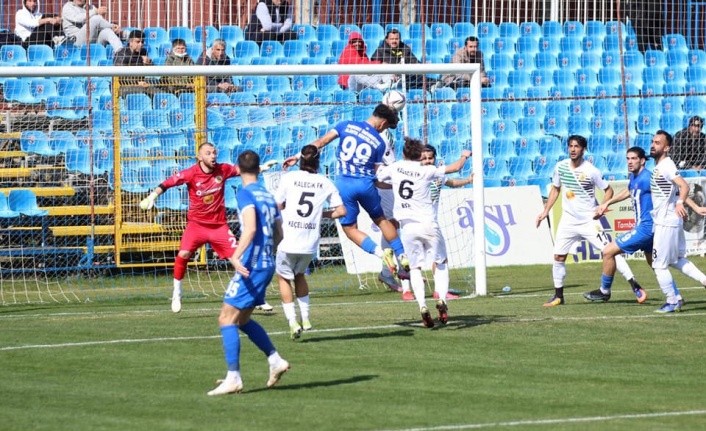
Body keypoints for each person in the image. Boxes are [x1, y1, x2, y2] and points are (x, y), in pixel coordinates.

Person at [139, 142, 277, 314]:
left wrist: (262, 167)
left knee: (239, 258)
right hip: (196, 226)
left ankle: (257, 297)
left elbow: (242, 170)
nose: (213, 156)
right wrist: (153, 195)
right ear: (200, 157)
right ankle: (177, 293)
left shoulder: (223, 169)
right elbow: (168, 183)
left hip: (219, 226)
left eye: (214, 152)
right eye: (208, 153)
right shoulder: (190, 173)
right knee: (183, 255)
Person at [282, 103, 410, 276]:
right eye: (386, 126)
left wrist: (297, 156)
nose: (383, 130)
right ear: (382, 122)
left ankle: (381, 254)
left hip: (343, 185)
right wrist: (394, 185)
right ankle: (401, 254)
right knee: (382, 220)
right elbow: (378, 177)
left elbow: (320, 143)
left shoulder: (346, 125)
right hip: (366, 184)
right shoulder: (379, 143)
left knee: (350, 229)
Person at [206, 150, 289, 396]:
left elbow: (250, 228)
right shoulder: (267, 194)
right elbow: (279, 233)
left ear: (238, 169)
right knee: (241, 320)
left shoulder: (245, 193)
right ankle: (275, 361)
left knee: (226, 318)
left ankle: (234, 378)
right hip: (266, 263)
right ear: (258, 168)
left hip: (251, 265)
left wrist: (234, 255)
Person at [535, 135, 643, 307]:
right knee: (558, 256)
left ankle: (635, 285)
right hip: (568, 221)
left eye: (576, 146)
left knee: (610, 251)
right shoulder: (560, 167)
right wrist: (545, 211)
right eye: (570, 146)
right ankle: (558, 296)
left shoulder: (591, 171)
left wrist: (602, 206)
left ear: (583, 149)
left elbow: (608, 190)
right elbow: (556, 189)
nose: (572, 149)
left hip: (589, 221)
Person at [377, 138, 471, 327]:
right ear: (419, 155)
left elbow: (378, 177)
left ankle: (422, 305)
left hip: (408, 227)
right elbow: (454, 168)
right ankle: (442, 299)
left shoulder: (395, 167)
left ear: (404, 154)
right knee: (441, 262)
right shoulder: (426, 170)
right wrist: (464, 156)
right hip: (429, 223)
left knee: (415, 268)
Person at [274, 145, 346, 340]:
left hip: (289, 239)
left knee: (283, 278)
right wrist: (320, 213)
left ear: (301, 161)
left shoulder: (288, 178)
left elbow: (278, 204)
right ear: (318, 161)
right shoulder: (325, 182)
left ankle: (292, 322)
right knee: (300, 276)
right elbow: (341, 212)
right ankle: (306, 318)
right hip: (309, 243)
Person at [406, 144, 474, 302]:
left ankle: (438, 291)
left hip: (430, 223)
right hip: (418, 222)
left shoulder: (436, 175)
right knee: (416, 261)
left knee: (437, 258)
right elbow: (455, 167)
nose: (428, 161)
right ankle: (409, 290)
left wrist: (468, 180)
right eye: (424, 158)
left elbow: (451, 182)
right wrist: (464, 155)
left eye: (431, 158)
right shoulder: (417, 174)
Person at [647, 130, 706, 313]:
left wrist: (680, 202)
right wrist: (694, 208)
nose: (653, 145)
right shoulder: (660, 167)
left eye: (657, 142)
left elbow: (684, 186)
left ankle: (672, 301)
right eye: (652, 141)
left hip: (666, 222)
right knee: (676, 259)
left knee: (659, 264)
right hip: (671, 221)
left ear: (666, 148)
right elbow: (676, 191)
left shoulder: (666, 164)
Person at [584, 147, 652, 303]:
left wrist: (683, 204)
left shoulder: (648, 178)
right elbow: (628, 191)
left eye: (633, 158)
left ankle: (604, 291)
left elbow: (669, 190)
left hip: (646, 228)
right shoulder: (635, 177)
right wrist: (607, 202)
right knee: (659, 264)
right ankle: (687, 288)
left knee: (608, 251)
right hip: (647, 228)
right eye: (628, 158)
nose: (629, 162)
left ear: (642, 160)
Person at [371, 28, 435, 90]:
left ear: (400, 39)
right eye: (392, 39)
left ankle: (434, 84)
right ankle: (431, 85)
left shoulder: (404, 48)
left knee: (416, 77)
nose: (394, 41)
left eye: (396, 39)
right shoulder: (381, 50)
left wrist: (420, 65)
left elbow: (414, 61)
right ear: (387, 40)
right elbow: (374, 63)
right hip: (389, 78)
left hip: (405, 75)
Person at [113, 29, 157, 97]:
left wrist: (149, 62)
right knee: (146, 91)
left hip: (142, 85)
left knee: (160, 92)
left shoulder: (143, 52)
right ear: (130, 42)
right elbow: (121, 78)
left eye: (142, 42)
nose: (141, 44)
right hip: (123, 87)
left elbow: (155, 71)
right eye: (138, 42)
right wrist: (137, 82)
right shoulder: (121, 55)